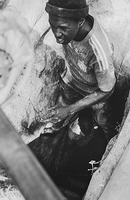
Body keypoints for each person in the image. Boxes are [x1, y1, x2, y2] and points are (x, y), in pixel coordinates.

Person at [42, 0, 116, 141]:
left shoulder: (99, 52)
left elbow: (107, 90)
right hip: (74, 81)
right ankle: (59, 130)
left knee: (104, 121)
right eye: (52, 25)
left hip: (96, 91)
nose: (57, 34)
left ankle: (108, 144)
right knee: (58, 111)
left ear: (80, 22)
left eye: (63, 28)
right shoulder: (68, 28)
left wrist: (70, 109)